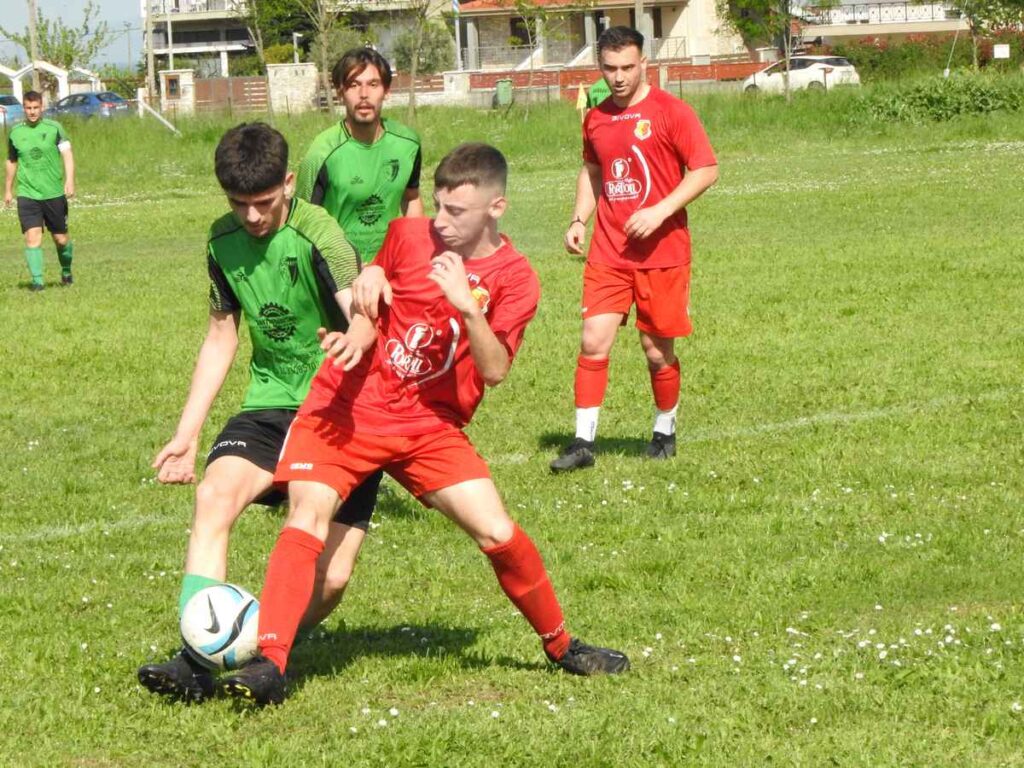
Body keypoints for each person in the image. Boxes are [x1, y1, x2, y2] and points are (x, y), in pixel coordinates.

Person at [220, 143, 630, 706]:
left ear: (496, 207)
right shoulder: (408, 237)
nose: (439, 222)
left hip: (428, 425)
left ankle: (562, 645)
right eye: (437, 205)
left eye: (455, 212)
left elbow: (496, 370)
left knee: (496, 530)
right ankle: (270, 664)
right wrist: (353, 332)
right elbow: (372, 312)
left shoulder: (517, 279)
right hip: (347, 408)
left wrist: (468, 307)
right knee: (307, 516)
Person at [137, 123, 380, 703]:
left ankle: (256, 644)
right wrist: (186, 434)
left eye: (263, 202)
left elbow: (365, 314)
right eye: (238, 204)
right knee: (213, 497)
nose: (251, 216)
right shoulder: (221, 242)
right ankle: (197, 659)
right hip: (269, 404)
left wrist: (358, 337)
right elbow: (221, 338)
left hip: (339, 410)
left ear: (289, 183)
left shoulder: (319, 233)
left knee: (334, 575)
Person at [550, 26, 719, 473]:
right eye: (609, 68)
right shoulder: (596, 117)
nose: (619, 77)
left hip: (662, 252)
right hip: (609, 249)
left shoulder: (672, 111)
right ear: (599, 67)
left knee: (656, 351)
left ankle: (665, 428)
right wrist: (577, 219)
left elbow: (705, 169)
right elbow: (592, 171)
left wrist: (659, 211)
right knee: (593, 340)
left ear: (644, 62)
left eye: (627, 67)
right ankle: (583, 443)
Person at [296, 47, 423, 264]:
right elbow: (303, 223)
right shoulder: (321, 153)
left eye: (373, 84)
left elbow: (411, 198)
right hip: (339, 272)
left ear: (386, 90)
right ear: (340, 93)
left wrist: (415, 252)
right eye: (353, 85)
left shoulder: (408, 144)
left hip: (392, 267)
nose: (364, 95)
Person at [4, 91, 75, 291]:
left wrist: (70, 180)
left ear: (41, 107)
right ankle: (37, 282)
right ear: (23, 108)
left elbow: (67, 154)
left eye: (36, 108)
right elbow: (11, 160)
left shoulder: (55, 128)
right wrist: (8, 190)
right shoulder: (15, 132)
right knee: (32, 237)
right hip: (27, 194)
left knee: (61, 239)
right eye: (28, 108)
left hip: (53, 193)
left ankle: (66, 270)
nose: (32, 112)